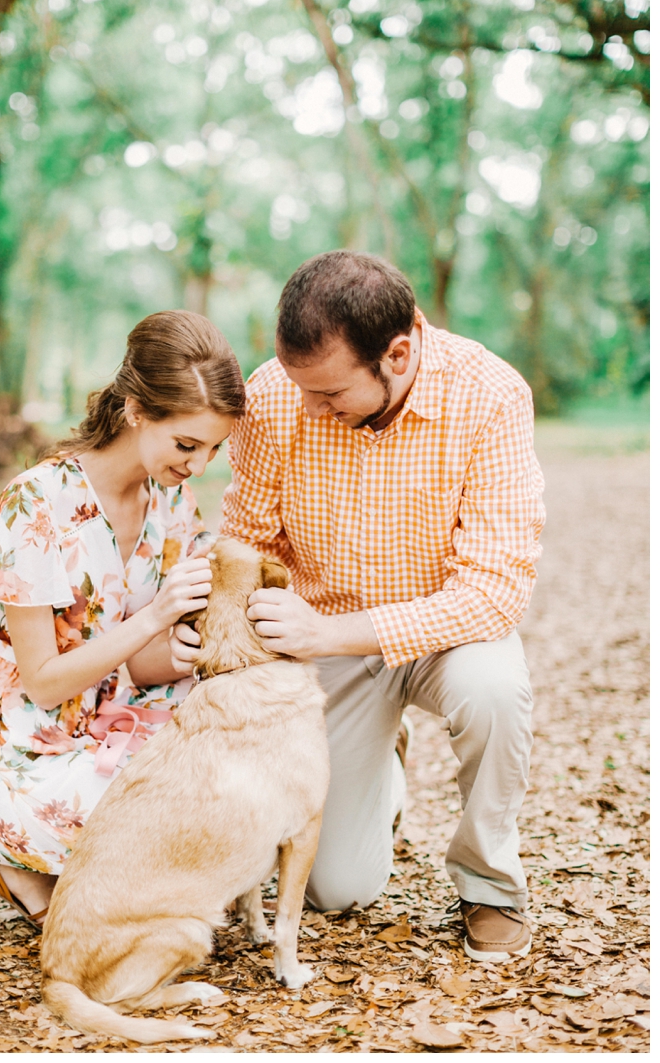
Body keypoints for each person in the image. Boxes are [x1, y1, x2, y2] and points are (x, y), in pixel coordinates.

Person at [172, 251, 545, 963]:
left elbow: (495, 593)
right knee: (336, 887)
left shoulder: (491, 394)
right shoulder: (275, 397)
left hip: (447, 633)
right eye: (297, 386)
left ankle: (490, 881)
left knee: (495, 689)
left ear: (397, 353)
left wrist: (332, 630)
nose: (308, 406)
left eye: (329, 392)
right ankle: (383, 766)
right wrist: (206, 636)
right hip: (326, 646)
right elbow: (243, 541)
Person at [0, 310, 244, 926]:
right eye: (187, 444)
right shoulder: (36, 503)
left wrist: (185, 649)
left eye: (214, 448)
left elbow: (142, 664)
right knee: (157, 824)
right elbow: (46, 681)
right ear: (136, 409)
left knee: (231, 784)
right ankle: (12, 858)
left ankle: (56, 884)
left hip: (122, 715)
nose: (200, 465)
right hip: (29, 742)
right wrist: (155, 616)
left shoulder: (171, 502)